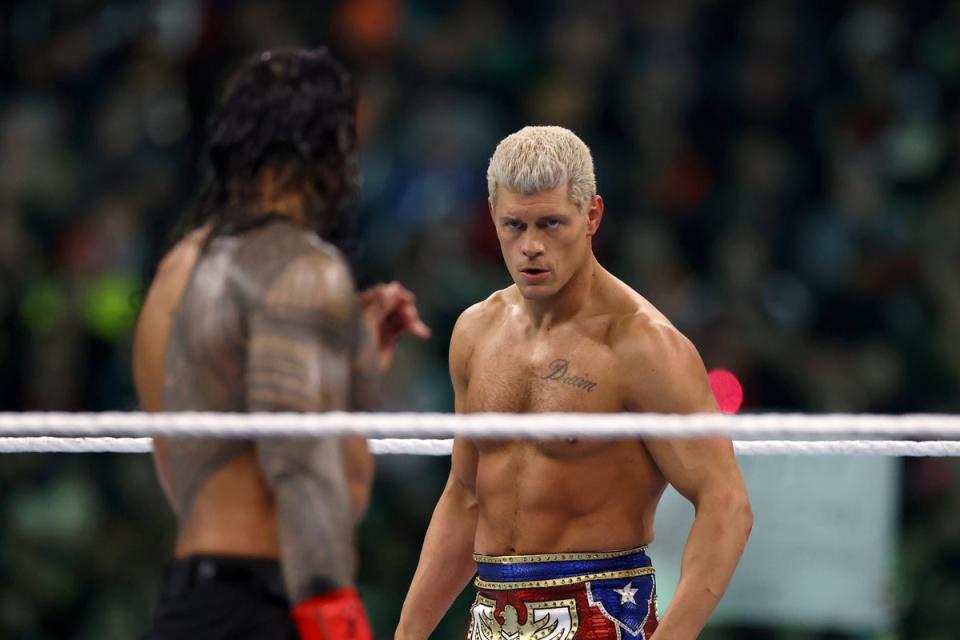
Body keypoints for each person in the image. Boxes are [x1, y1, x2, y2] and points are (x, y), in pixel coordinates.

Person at [395, 126, 752, 640]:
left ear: (591, 216)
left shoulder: (641, 346)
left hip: (601, 617)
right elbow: (467, 497)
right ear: (492, 214)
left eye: (551, 224)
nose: (531, 246)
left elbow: (727, 504)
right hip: (490, 619)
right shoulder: (475, 331)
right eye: (513, 225)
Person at [133, 47, 429, 640]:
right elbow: (308, 474)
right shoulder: (304, 269)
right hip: (281, 599)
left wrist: (349, 356)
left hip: (193, 597)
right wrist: (329, 608)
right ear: (326, 155)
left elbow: (190, 466)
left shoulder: (176, 274)